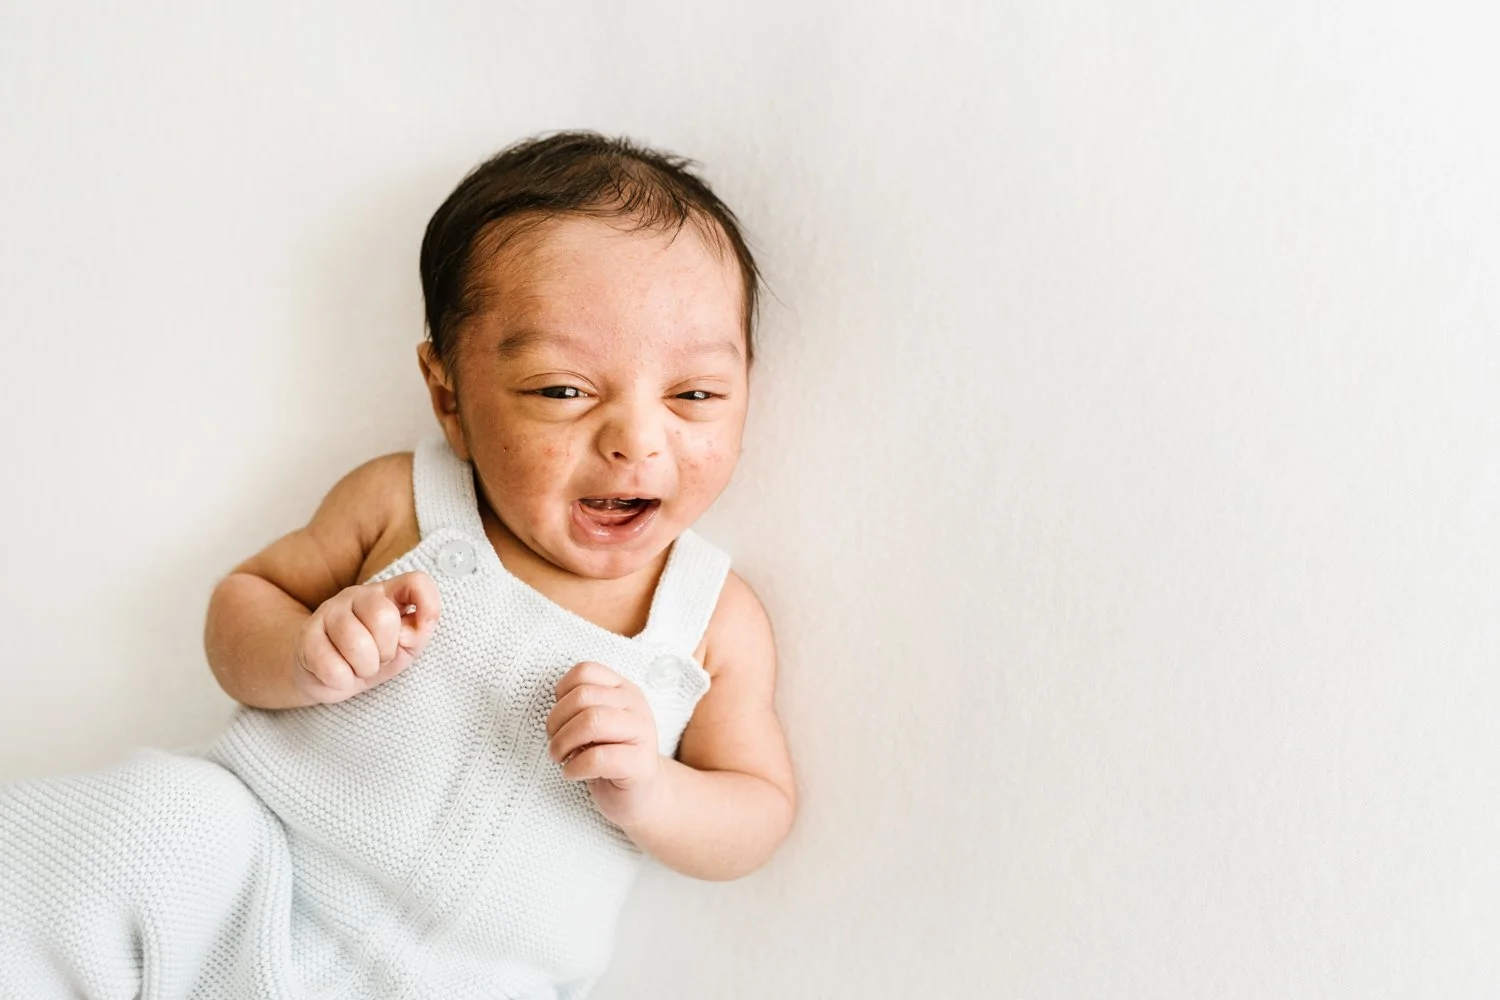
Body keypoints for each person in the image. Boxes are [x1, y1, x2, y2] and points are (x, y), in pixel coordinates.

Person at [0, 130, 797, 999]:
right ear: (449, 395)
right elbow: (242, 606)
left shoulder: (709, 619)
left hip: (470, 981)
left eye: (695, 396)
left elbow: (757, 811)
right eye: (562, 390)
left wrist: (653, 789)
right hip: (252, 886)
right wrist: (305, 653)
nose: (637, 441)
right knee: (161, 819)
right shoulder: (403, 504)